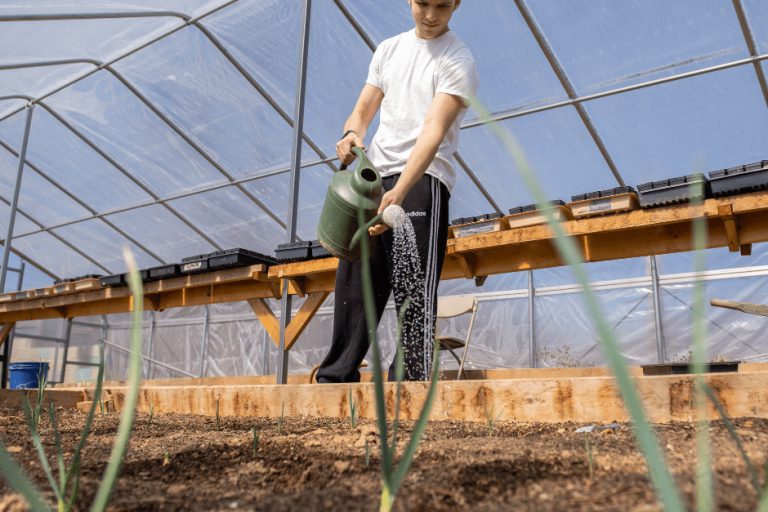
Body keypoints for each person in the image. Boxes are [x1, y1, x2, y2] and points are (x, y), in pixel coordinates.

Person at [316, 0, 478, 383]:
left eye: (442, 5)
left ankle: (409, 382)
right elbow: (362, 111)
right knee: (356, 285)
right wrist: (351, 133)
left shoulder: (458, 60)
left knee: (413, 287)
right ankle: (335, 378)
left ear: (456, 4)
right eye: (423, 3)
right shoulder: (389, 49)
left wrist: (402, 189)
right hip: (375, 182)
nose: (431, 14)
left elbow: (433, 131)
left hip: (422, 182)